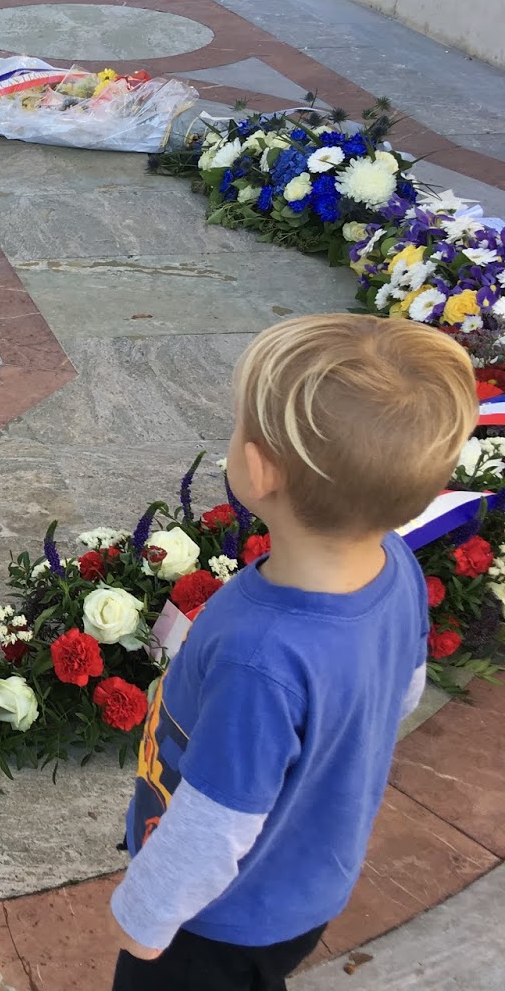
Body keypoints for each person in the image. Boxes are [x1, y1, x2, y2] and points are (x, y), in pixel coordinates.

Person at [110, 314, 476, 990]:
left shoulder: (259, 655)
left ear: (258, 470)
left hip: (218, 919)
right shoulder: (395, 565)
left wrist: (146, 915)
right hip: (305, 879)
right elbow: (402, 692)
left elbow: (216, 821)